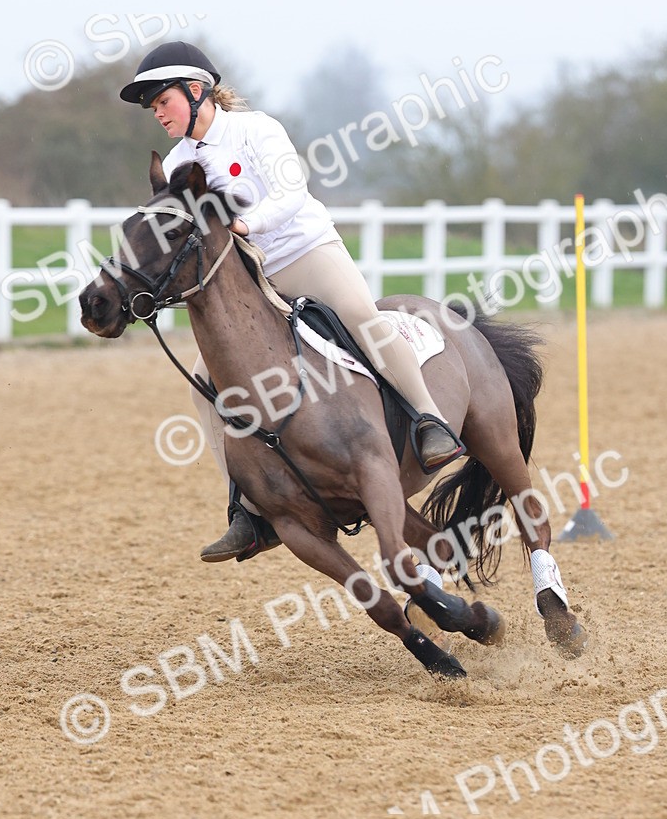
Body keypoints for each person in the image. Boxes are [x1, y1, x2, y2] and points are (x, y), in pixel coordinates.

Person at [120, 42, 462, 562]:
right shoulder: (176, 163)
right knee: (203, 384)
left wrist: (243, 225)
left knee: (365, 322)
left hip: (305, 252)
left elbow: (292, 193)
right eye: (153, 109)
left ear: (196, 91)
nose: (158, 114)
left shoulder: (256, 130)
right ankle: (247, 510)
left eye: (162, 101)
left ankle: (429, 422)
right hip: (251, 277)